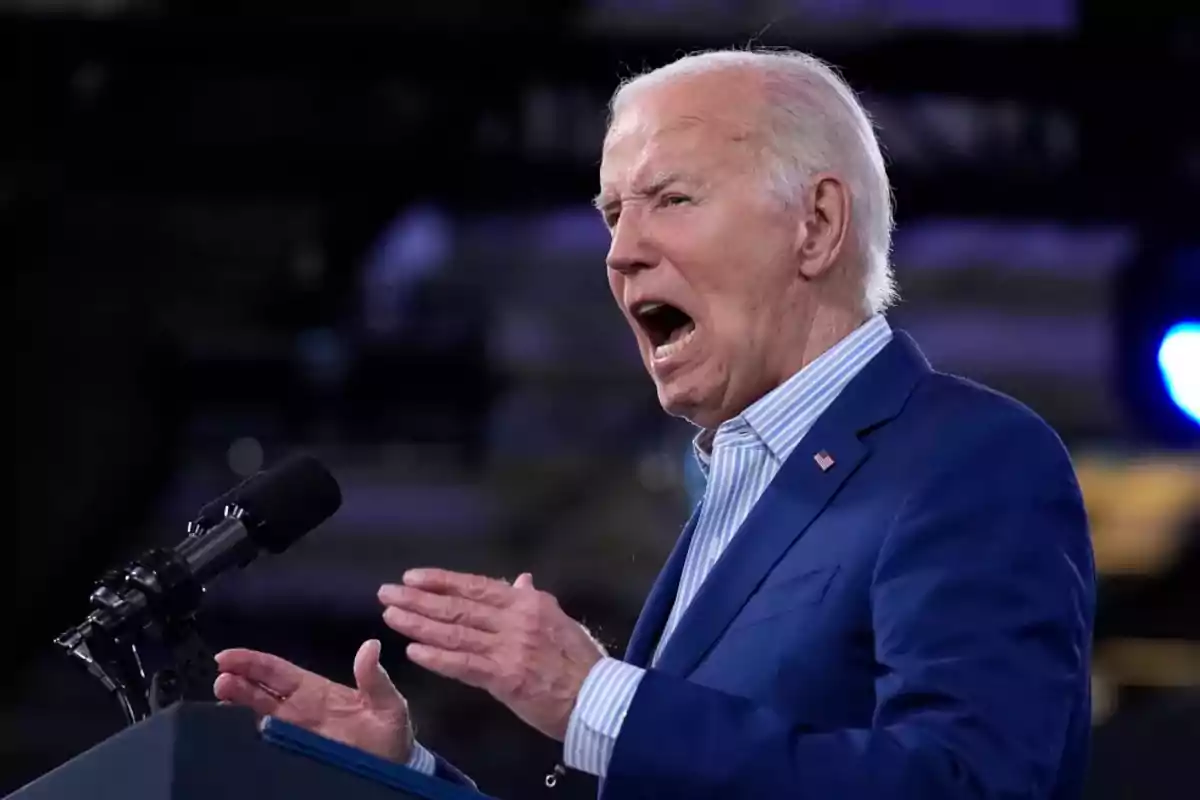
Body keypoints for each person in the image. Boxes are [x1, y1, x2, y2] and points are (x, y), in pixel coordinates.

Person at [215, 48, 1096, 799]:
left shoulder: (970, 460)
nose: (620, 250)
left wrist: (595, 698)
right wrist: (403, 776)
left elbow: (966, 785)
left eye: (670, 199)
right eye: (611, 213)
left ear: (818, 226)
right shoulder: (735, 499)